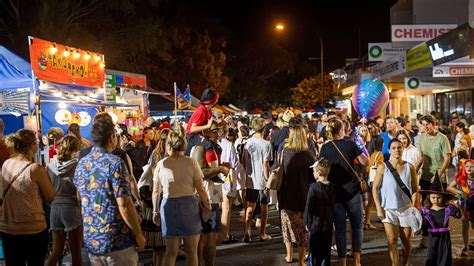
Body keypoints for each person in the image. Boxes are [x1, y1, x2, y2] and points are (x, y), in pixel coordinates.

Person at [74, 118, 145, 264]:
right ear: (112, 137)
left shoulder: (82, 164)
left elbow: (79, 198)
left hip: (92, 239)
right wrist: (138, 233)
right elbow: (124, 204)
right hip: (116, 239)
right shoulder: (115, 163)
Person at [152, 131, 211, 266]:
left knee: (171, 252)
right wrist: (207, 207)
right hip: (189, 206)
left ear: (169, 146)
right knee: (191, 251)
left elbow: (156, 191)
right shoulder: (191, 162)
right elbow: (201, 189)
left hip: (168, 206)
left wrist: (155, 212)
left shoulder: (161, 164)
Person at [318, 118, 369, 266]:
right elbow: (365, 162)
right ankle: (357, 261)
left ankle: (342, 261)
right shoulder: (350, 144)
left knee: (339, 229)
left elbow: (321, 170)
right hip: (352, 190)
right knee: (357, 225)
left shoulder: (325, 148)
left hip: (335, 193)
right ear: (342, 130)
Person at [1, 129, 56, 265]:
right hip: (32, 229)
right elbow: (51, 197)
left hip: (8, 228)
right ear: (32, 145)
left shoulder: (6, 164)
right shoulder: (35, 169)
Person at [372, 139, 420, 266]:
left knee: (406, 240)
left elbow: (415, 189)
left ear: (403, 148)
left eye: (399, 147)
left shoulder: (410, 167)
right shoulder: (383, 167)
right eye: (393, 148)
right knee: (392, 240)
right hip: (388, 209)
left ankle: (405, 262)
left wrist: (414, 206)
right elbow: (375, 188)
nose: (397, 150)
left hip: (406, 209)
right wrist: (378, 207)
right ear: (389, 150)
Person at [277, 117, 315, 265]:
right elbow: (314, 176)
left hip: (285, 195)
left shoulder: (284, 151)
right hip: (303, 196)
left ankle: (288, 255)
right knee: (302, 230)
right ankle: (301, 259)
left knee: (287, 228)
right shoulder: (308, 155)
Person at [46, 135, 83, 266]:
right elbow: (79, 191)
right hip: (71, 207)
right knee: (76, 251)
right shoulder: (78, 165)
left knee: (56, 250)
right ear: (76, 149)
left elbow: (47, 188)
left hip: (54, 208)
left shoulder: (50, 165)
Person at [415, 115, 451, 248]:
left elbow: (447, 158)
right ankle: (425, 236)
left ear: (433, 124)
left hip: (439, 179)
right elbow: (421, 157)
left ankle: (441, 235)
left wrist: (438, 174)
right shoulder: (421, 138)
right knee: (426, 208)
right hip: (425, 176)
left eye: (428, 124)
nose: (426, 127)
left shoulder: (442, 138)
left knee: (439, 208)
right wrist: (414, 171)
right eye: (423, 125)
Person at [243, 118, 273, 243]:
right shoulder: (266, 144)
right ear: (263, 129)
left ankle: (247, 232)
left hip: (250, 178)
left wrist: (249, 170)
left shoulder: (248, 142)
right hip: (261, 179)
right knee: (264, 206)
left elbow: (243, 160)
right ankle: (262, 233)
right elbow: (265, 164)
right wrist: (267, 180)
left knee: (250, 206)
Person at [421, 175, 460, 266]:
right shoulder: (426, 211)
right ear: (429, 197)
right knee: (431, 256)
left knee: (445, 256)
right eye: (433, 197)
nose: (436, 200)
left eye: (438, 198)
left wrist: (456, 205)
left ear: (443, 197)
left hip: (445, 237)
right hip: (432, 237)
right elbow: (420, 223)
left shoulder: (448, 209)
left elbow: (458, 215)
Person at [305, 159, 334, 266]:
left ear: (319, 173)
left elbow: (309, 206)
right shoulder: (332, 187)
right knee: (326, 251)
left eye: (314, 171)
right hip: (328, 224)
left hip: (315, 224)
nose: (313, 173)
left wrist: (307, 223)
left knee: (315, 251)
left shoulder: (313, 188)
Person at [447, 159, 474, 257]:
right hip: (464, 205)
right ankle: (466, 247)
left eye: (471, 166)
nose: (469, 168)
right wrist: (460, 192)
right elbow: (449, 187)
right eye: (467, 166)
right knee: (465, 223)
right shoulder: (460, 177)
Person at [219, 127, 240, 244]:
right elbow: (232, 162)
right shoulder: (228, 145)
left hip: (215, 177)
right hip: (227, 176)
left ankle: (222, 234)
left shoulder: (214, 144)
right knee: (226, 208)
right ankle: (225, 235)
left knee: (218, 208)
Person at [185, 88, 219, 155]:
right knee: (209, 145)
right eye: (216, 99)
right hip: (192, 136)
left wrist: (222, 123)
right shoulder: (201, 111)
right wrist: (207, 126)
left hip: (199, 134)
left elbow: (210, 124)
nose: (217, 101)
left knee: (217, 148)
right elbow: (192, 129)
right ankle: (213, 165)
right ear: (212, 101)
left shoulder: (208, 110)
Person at [364, 136, 384, 229]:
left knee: (370, 202)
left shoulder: (370, 154)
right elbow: (380, 167)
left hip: (369, 179)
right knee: (381, 202)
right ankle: (385, 222)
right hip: (376, 180)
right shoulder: (379, 154)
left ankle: (367, 222)